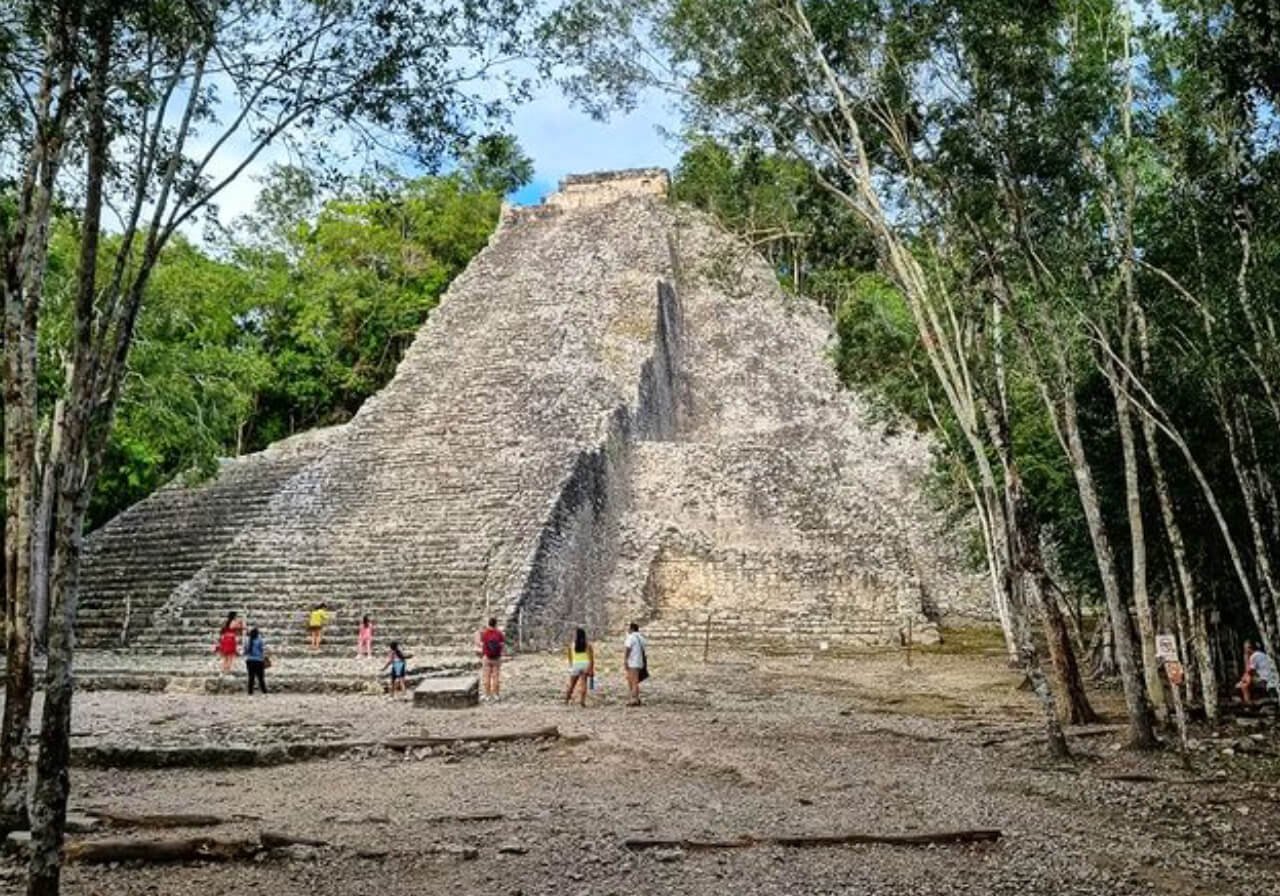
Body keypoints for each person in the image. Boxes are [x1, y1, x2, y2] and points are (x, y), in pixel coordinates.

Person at [1237, 641, 1278, 705]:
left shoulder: (1254, 656)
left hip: (1265, 679)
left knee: (1244, 685)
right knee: (1247, 679)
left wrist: (1246, 658)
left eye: (1246, 648)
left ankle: (1248, 703)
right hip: (1270, 677)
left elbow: (1249, 671)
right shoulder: (1262, 654)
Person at [563, 627, 594, 707]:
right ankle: (582, 701)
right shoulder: (587, 645)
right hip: (585, 663)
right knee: (583, 683)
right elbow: (591, 658)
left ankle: (566, 699)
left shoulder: (572, 645)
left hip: (576, 663)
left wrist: (571, 665)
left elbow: (569, 656)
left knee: (572, 684)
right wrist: (591, 668)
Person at [477, 617, 506, 703]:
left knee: (487, 676)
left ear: (488, 624)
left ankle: (487, 695)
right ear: (496, 624)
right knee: (496, 677)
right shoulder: (499, 633)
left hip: (487, 657)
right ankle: (496, 695)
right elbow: (502, 645)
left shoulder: (485, 633)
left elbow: (481, 644)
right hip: (497, 658)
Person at [623, 622, 649, 706]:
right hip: (639, 661)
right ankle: (636, 698)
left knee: (633, 681)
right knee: (633, 680)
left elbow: (628, 649)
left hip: (632, 661)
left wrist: (625, 660)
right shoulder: (641, 638)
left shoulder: (631, 637)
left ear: (632, 629)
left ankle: (633, 699)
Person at [244, 627, 269, 695]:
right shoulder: (260, 640)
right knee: (261, 677)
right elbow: (262, 650)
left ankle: (250, 692)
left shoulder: (247, 640)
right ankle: (264, 691)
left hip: (249, 660)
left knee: (251, 677)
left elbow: (245, 651)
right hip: (259, 660)